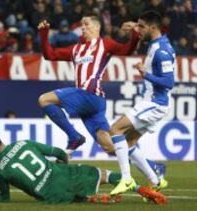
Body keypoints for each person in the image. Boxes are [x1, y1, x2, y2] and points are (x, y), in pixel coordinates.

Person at [37, 13, 142, 192]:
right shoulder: (75, 49)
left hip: (90, 94)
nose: (83, 28)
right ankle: (152, 167)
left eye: (86, 25)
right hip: (93, 104)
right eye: (82, 25)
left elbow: (127, 50)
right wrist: (44, 34)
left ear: (96, 27)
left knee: (44, 99)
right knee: (109, 147)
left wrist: (135, 34)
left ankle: (74, 137)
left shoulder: (105, 43)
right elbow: (49, 55)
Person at [0, 132, 167, 204]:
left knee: (76, 197)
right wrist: (63, 165)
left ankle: (91, 199)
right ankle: (145, 191)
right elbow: (59, 153)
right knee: (104, 174)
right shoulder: (23, 143)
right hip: (61, 175)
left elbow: (5, 199)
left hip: (49, 196)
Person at [109, 11, 175, 195]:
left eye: (141, 26)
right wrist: (133, 26)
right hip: (153, 102)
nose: (138, 30)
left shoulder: (161, 51)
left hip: (155, 103)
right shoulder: (155, 43)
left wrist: (146, 74)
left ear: (153, 27)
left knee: (115, 130)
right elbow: (141, 30)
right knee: (129, 142)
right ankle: (156, 180)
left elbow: (169, 83)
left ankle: (126, 179)